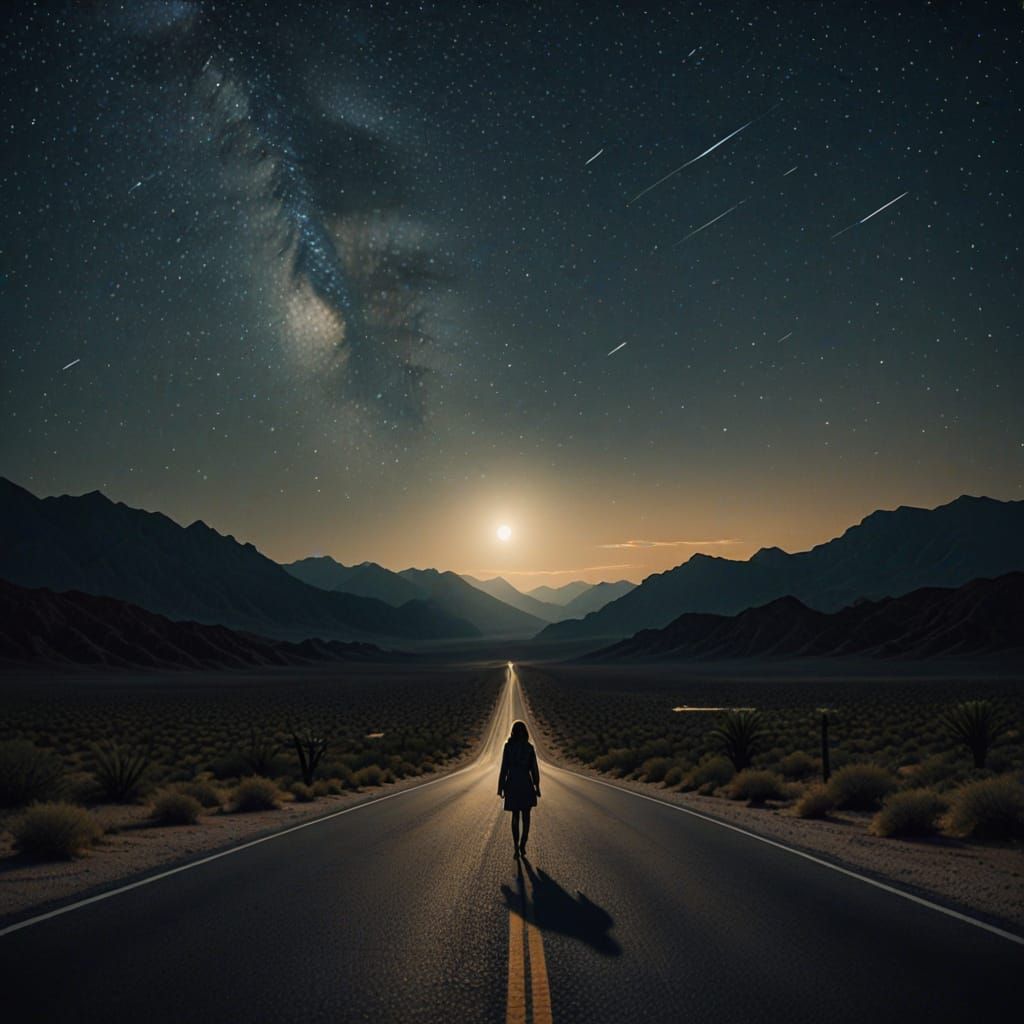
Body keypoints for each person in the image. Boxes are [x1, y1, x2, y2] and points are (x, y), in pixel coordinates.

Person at [497, 719, 541, 857]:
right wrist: (537, 785)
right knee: (526, 816)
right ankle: (523, 844)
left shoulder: (508, 747)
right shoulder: (529, 748)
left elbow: (504, 768)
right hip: (526, 784)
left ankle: (516, 845)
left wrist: (501, 786)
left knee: (515, 815)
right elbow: (534, 769)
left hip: (512, 783)